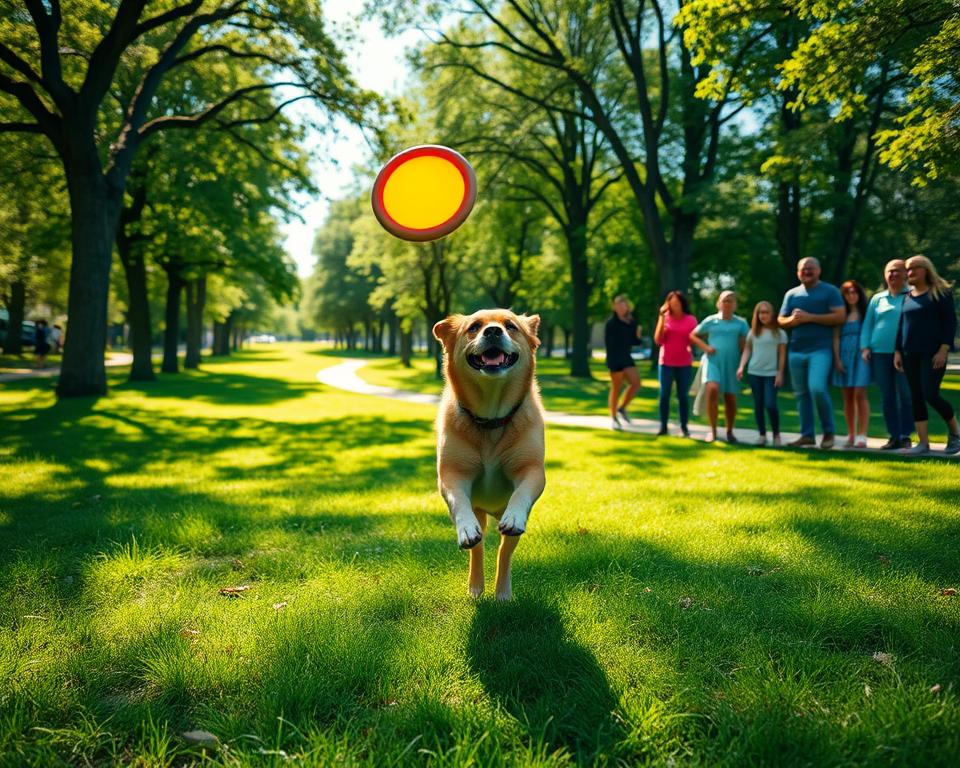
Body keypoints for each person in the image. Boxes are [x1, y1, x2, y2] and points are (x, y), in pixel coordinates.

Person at [894, 255, 959, 455]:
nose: (909, 273)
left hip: (933, 353)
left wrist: (944, 349)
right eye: (907, 269)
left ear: (926, 270)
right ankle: (923, 443)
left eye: (913, 268)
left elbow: (950, 323)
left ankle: (956, 434)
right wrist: (897, 351)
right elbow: (901, 326)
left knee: (930, 394)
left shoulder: (940, 293)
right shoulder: (907, 296)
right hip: (909, 353)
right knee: (916, 397)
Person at [779, 257, 846, 449]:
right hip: (796, 350)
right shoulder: (792, 294)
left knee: (817, 388)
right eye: (802, 269)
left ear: (819, 270)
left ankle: (828, 432)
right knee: (801, 394)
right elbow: (780, 320)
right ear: (798, 272)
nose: (806, 272)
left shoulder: (830, 291)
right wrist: (792, 320)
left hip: (821, 350)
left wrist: (810, 317)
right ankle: (807, 435)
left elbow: (840, 316)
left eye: (810, 268)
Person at [860, 260, 913, 449]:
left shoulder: (911, 296)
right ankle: (894, 436)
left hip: (904, 354)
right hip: (879, 354)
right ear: (885, 275)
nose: (893, 275)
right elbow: (868, 324)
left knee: (906, 395)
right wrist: (865, 347)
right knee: (887, 396)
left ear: (906, 274)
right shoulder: (878, 298)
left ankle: (906, 435)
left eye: (898, 271)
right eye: (890, 271)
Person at [690, 290, 748, 443]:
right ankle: (713, 431)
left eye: (730, 300)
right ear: (718, 303)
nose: (727, 303)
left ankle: (729, 431)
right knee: (713, 389)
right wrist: (706, 348)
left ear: (735, 304)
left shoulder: (741, 323)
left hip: (732, 364)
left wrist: (743, 364)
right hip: (713, 362)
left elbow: (746, 344)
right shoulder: (711, 320)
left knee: (730, 398)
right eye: (724, 300)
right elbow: (693, 335)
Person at [737, 301, 787, 446]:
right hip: (754, 372)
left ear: (772, 314)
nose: (763, 315)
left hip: (771, 374)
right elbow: (747, 350)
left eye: (766, 312)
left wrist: (780, 372)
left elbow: (782, 355)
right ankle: (762, 435)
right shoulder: (753, 333)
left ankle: (776, 434)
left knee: (770, 404)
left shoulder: (780, 334)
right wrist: (741, 366)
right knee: (758, 405)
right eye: (760, 312)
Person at [832, 280, 871, 448]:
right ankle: (851, 433)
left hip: (861, 356)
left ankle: (862, 434)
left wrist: (867, 349)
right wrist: (837, 360)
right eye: (847, 292)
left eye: (854, 291)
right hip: (844, 357)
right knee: (847, 397)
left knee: (859, 393)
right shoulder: (841, 314)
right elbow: (836, 338)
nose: (851, 295)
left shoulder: (866, 312)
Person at [653, 290, 697, 437]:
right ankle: (663, 426)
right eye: (671, 304)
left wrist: (692, 346)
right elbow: (658, 340)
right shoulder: (665, 318)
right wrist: (661, 317)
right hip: (666, 363)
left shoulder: (690, 320)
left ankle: (684, 427)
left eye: (677, 304)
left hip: (684, 363)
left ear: (682, 304)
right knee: (664, 395)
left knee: (682, 396)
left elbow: (693, 340)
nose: (674, 307)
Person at [604, 295, 641, 430]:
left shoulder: (631, 322)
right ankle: (613, 417)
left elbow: (635, 342)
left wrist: (637, 334)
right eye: (618, 305)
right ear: (614, 307)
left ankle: (622, 407)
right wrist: (611, 362)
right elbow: (609, 344)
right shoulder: (611, 323)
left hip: (626, 357)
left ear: (627, 307)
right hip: (615, 359)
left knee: (636, 384)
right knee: (616, 388)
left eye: (623, 305)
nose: (621, 307)